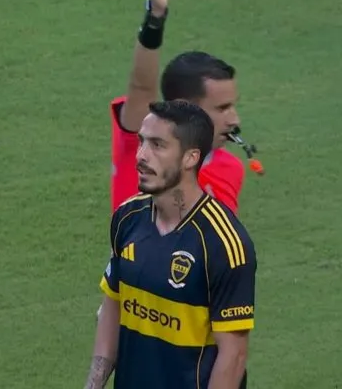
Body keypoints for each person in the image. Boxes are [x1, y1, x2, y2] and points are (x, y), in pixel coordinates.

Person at [84, 101, 257, 389]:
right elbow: (111, 309)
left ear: (190, 158)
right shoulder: (127, 218)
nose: (141, 155)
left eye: (157, 145)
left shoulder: (224, 244)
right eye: (142, 142)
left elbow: (233, 356)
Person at [111, 0, 244, 215]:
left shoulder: (230, 169)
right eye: (222, 108)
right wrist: (155, 17)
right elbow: (141, 87)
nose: (234, 120)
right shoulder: (145, 149)